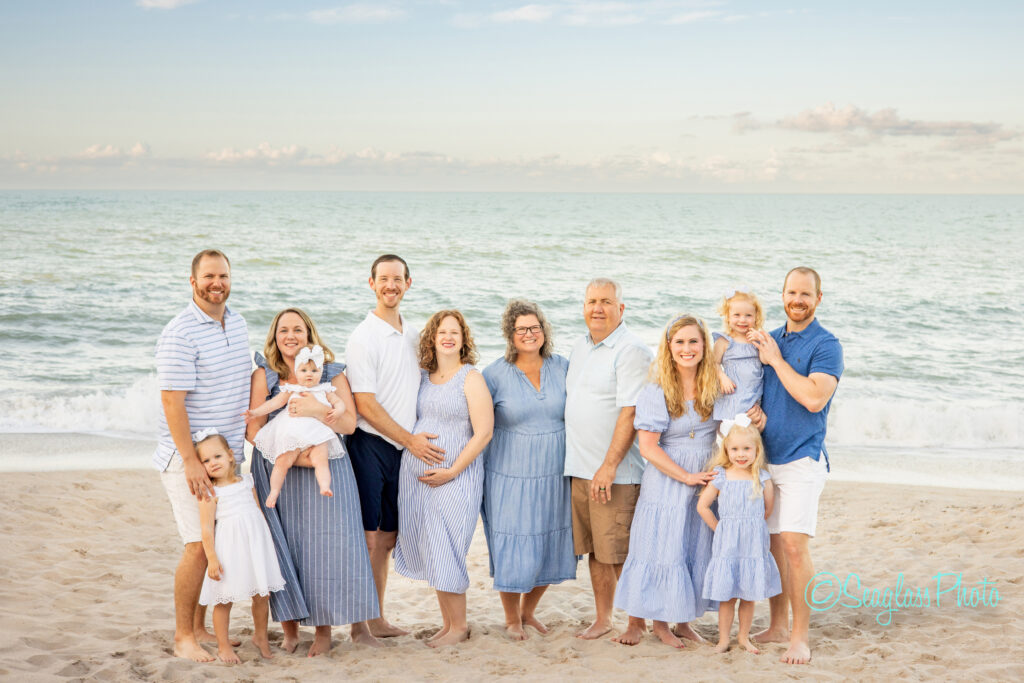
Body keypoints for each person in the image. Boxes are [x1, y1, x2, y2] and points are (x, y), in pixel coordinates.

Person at [247, 308, 380, 657]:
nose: (291, 336)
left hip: (328, 467)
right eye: (283, 330)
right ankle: (290, 630)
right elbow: (253, 429)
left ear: (310, 334)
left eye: (298, 329)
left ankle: (324, 631)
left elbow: (349, 423)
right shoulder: (266, 375)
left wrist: (315, 411)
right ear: (274, 337)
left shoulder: (331, 373)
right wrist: (294, 456)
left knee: (326, 549)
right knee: (284, 547)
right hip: (279, 467)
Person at [155, 249, 251, 662]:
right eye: (209, 276)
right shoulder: (180, 332)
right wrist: (191, 462)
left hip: (225, 458)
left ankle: (199, 626)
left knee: (218, 544)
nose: (217, 283)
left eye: (223, 275)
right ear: (192, 282)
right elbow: (172, 402)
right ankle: (183, 636)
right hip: (188, 458)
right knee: (198, 545)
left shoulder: (239, 322)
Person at [747, 266, 844, 665]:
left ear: (818, 298)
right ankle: (777, 625)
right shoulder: (771, 338)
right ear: (782, 295)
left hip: (803, 458)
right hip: (766, 461)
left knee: (793, 546)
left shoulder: (826, 344)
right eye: (791, 292)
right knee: (772, 548)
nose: (797, 300)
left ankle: (800, 637)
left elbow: (813, 399)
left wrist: (775, 359)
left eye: (805, 294)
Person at [613, 314, 720, 648]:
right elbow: (647, 447)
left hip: (706, 473)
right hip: (668, 476)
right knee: (664, 546)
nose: (687, 348)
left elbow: (735, 422)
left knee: (692, 544)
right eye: (680, 342)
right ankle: (658, 624)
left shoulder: (715, 385)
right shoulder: (656, 390)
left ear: (704, 345)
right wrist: (685, 475)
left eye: (693, 341)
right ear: (669, 347)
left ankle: (683, 622)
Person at [345, 254, 435, 638]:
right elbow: (365, 404)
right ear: (371, 284)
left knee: (386, 540)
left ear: (408, 284)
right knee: (367, 538)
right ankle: (357, 624)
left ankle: (377, 618)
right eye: (384, 279)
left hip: (402, 451)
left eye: (397, 279)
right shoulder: (363, 337)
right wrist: (409, 440)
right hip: (370, 444)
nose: (391, 286)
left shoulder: (414, 336)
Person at [393, 310, 494, 648]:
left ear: (464, 340)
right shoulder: (422, 377)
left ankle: (460, 625)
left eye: (455, 332)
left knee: (447, 544)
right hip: (418, 480)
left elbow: (483, 434)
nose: (448, 337)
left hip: (457, 477)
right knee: (433, 545)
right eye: (442, 332)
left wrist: (452, 470)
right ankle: (448, 623)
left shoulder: (471, 378)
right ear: (432, 339)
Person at [564, 278, 653, 640]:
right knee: (598, 553)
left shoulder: (631, 350)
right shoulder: (580, 346)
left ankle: (636, 621)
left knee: (621, 553)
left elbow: (630, 413)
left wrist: (609, 465)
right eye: (591, 301)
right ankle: (603, 619)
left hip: (615, 473)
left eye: (605, 301)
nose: (597, 308)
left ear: (621, 308)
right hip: (580, 470)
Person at [481, 299, 576, 641]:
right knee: (513, 544)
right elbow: (477, 424)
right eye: (521, 329)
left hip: (555, 470)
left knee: (553, 540)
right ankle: (511, 618)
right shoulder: (493, 374)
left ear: (544, 331)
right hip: (509, 473)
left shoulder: (563, 366)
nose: (529, 334)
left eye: (534, 327)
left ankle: (528, 610)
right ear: (510, 334)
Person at [195, 429, 285, 664]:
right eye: (205, 460)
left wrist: (266, 543)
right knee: (224, 599)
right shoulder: (210, 492)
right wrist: (212, 559)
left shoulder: (248, 480)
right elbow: (206, 529)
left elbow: (257, 512)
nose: (212, 463)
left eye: (217, 456)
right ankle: (223, 646)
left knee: (261, 594)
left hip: (255, 543)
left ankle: (261, 637)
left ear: (230, 455)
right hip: (229, 548)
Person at [697, 416, 781, 655]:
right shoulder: (721, 475)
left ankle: (743, 637)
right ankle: (723, 640)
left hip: (752, 546)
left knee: (748, 595)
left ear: (756, 451)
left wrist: (750, 529)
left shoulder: (762, 478)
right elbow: (703, 506)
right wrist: (721, 529)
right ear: (726, 449)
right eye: (735, 449)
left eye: (746, 449)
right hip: (728, 546)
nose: (740, 454)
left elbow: (766, 510)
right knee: (727, 597)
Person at [246, 344, 346, 505]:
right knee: (282, 462)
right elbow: (273, 404)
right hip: (292, 433)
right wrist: (255, 412)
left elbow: (339, 402)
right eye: (304, 370)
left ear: (321, 372)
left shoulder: (325, 389)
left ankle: (324, 486)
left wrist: (339, 411)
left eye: (314, 371)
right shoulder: (292, 389)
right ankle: (274, 491)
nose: (309, 374)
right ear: (296, 372)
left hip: (317, 434)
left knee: (321, 459)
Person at [713, 288, 765, 420]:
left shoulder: (757, 339)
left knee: (750, 430)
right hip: (733, 394)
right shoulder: (724, 341)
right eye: (737, 315)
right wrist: (722, 377)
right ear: (728, 317)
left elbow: (766, 360)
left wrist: (761, 341)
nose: (743, 320)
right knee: (732, 429)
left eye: (748, 315)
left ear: (756, 317)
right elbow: (713, 363)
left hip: (753, 394)